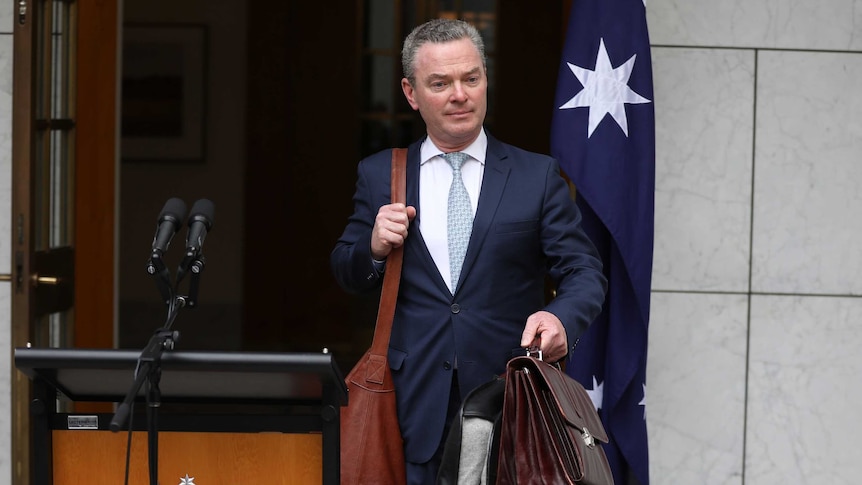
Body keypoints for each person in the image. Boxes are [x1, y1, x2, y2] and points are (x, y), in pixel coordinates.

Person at [331, 18, 607, 484]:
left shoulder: (535, 176)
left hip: (511, 405)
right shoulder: (381, 174)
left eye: (470, 78)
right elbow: (347, 271)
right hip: (411, 408)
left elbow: (583, 270)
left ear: (484, 80)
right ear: (411, 93)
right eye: (440, 83)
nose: (459, 94)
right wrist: (374, 246)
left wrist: (561, 318)